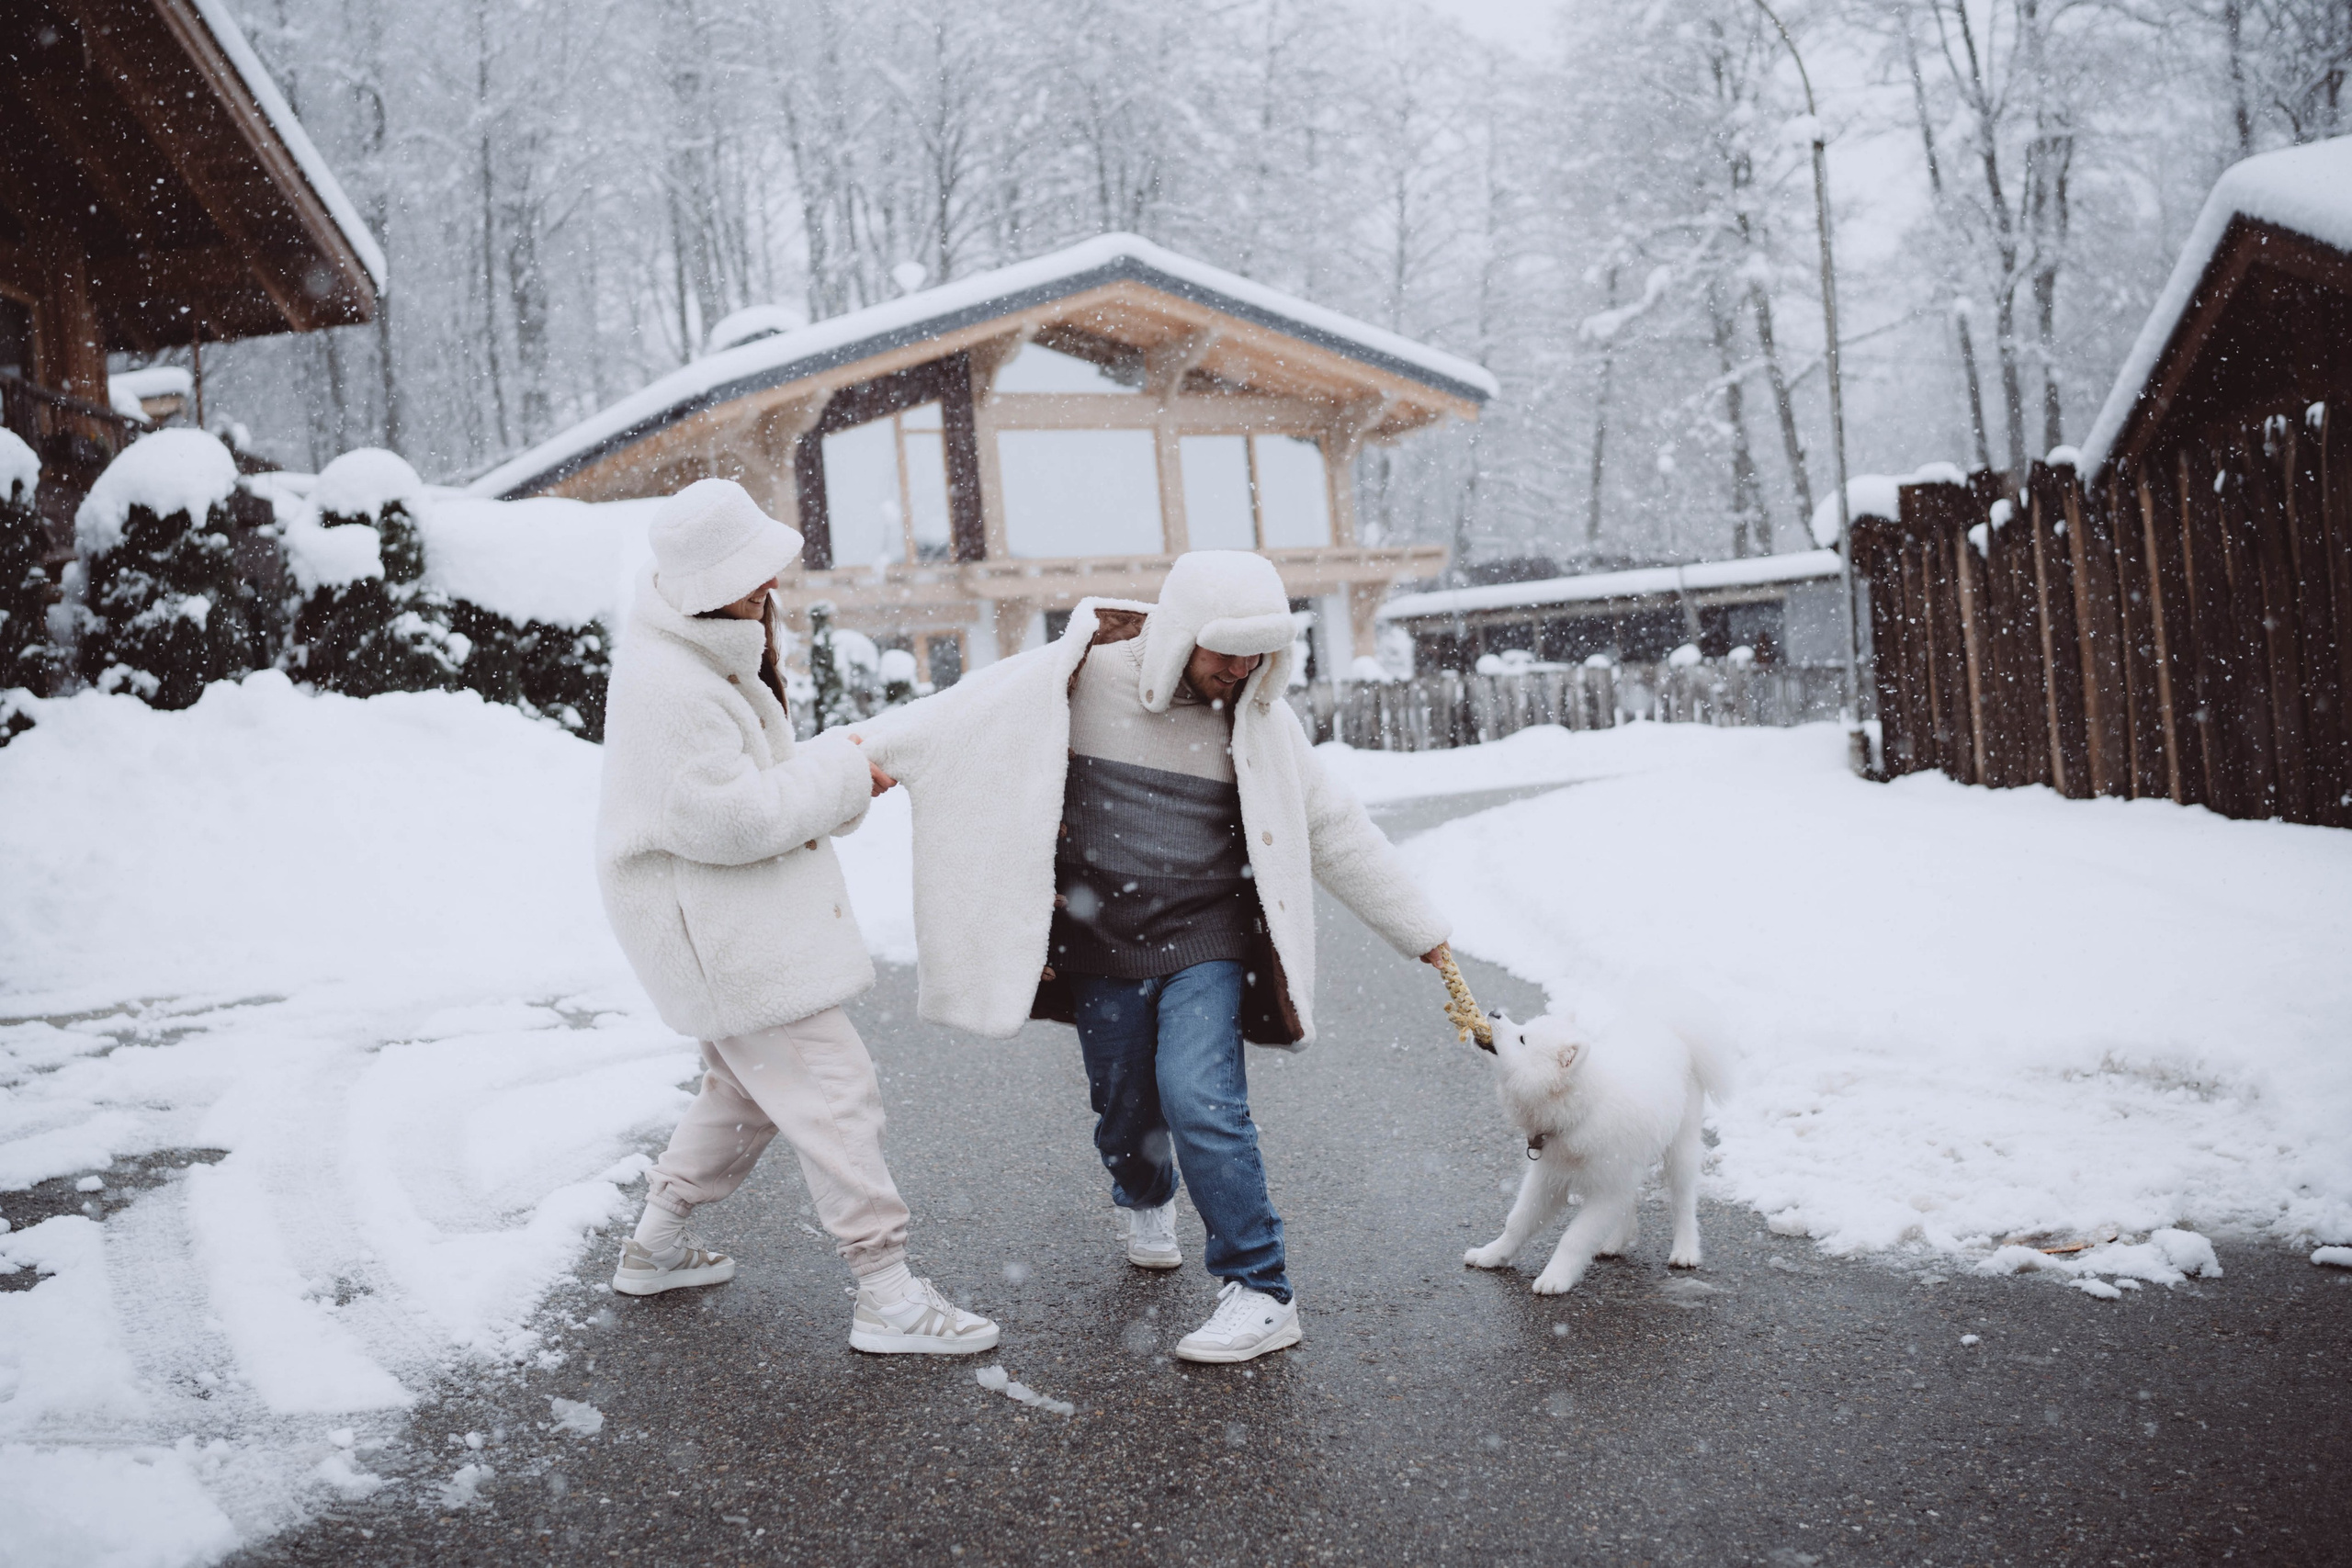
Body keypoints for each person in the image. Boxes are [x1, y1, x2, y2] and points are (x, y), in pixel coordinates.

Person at [853, 551, 1451, 1364]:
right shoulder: (1074, 681)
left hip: (1209, 939)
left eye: (1258, 654)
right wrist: (858, 762)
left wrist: (1422, 929)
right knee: (1125, 1103)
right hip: (1101, 942)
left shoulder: (1260, 722)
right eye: (1225, 652)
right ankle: (1144, 1193)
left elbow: (1336, 829)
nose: (1241, 671)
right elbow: (951, 721)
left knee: (1199, 1095)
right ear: (1177, 637)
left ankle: (1262, 1287)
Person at [594, 478, 998, 1356]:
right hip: (727, 934)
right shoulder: (677, 684)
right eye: (753, 575)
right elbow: (728, 818)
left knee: (744, 1091)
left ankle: (655, 1244)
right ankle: (887, 1294)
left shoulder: (698, 653)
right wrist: (846, 775)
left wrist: (844, 764)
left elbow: (746, 789)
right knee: (832, 1089)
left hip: (720, 927)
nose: (770, 589)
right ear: (708, 582)